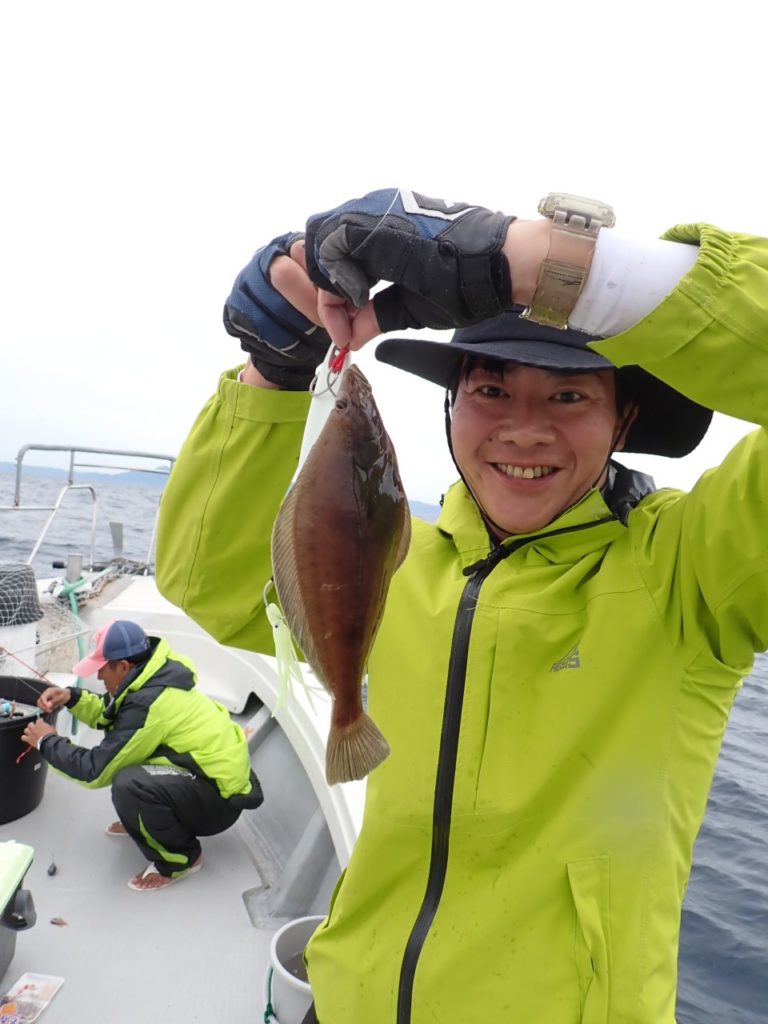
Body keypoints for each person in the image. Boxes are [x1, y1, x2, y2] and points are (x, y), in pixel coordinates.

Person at [155, 189, 768, 1021]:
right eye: (490, 389)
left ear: (624, 419)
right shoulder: (400, 562)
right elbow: (208, 582)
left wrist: (546, 263)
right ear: (449, 407)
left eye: (569, 396)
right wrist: (272, 372)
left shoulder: (694, 569)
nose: (524, 428)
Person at [21, 618, 263, 892]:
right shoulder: (149, 679)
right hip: (205, 782)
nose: (98, 677)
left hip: (216, 803)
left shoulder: (149, 703)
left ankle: (180, 860)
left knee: (129, 784)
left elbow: (95, 771)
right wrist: (71, 698)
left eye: (102, 669)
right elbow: (112, 712)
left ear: (123, 666)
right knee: (131, 766)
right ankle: (146, 819)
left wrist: (47, 742)